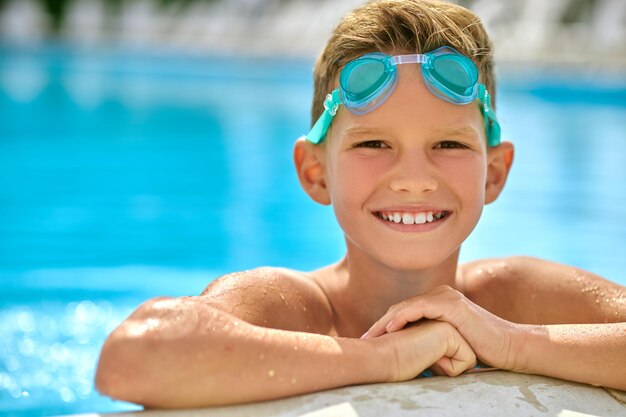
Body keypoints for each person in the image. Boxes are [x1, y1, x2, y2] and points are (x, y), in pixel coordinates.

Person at [95, 0, 626, 409]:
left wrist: (511, 343)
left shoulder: (513, 299)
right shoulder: (292, 309)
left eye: (449, 144)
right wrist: (384, 357)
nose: (414, 180)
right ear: (315, 172)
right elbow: (133, 359)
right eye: (373, 144)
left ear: (494, 173)